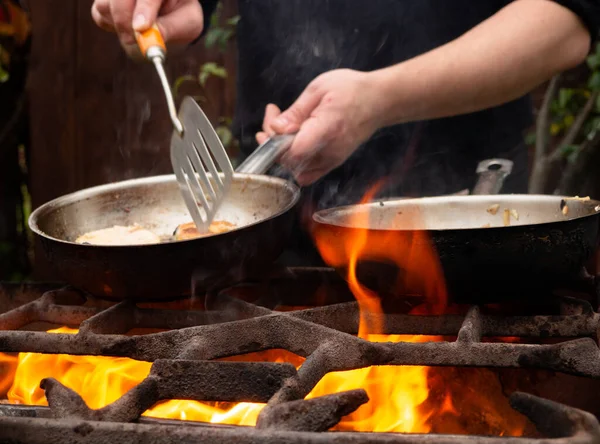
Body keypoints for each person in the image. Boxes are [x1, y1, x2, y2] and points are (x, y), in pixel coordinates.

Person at [91, 0, 600, 265]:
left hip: (462, 234)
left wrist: (380, 100)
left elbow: (564, 24)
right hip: (275, 237)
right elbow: (174, 12)